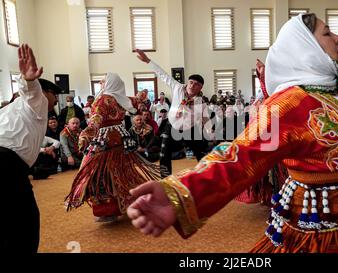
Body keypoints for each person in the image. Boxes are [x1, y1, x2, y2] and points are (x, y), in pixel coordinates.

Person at [127, 14, 338, 253]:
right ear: (306, 46)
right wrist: (180, 194)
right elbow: (241, 156)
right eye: (328, 32)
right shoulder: (290, 104)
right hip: (328, 229)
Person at [65, 73, 161, 223]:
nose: (102, 83)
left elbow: (96, 119)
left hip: (105, 140)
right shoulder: (121, 98)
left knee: (100, 173)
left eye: (104, 80)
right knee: (123, 171)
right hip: (120, 138)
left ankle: (108, 211)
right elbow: (138, 99)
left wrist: (86, 133)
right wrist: (142, 95)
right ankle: (134, 202)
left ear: (109, 83)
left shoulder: (104, 99)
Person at [0, 44, 62, 252]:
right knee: (24, 227)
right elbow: (32, 92)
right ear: (46, 92)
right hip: (6, 166)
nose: (55, 100)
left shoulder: (9, 110)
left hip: (10, 166)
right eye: (54, 93)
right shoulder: (39, 102)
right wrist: (29, 80)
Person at [135, 50, 208, 161]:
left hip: (190, 129)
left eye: (197, 84)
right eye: (191, 82)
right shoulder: (177, 87)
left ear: (200, 88)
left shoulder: (200, 101)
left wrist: (209, 129)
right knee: (164, 154)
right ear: (188, 82)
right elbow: (162, 74)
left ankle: (205, 175)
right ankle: (165, 177)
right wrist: (148, 61)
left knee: (201, 154)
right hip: (172, 126)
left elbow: (204, 118)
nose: (193, 86)